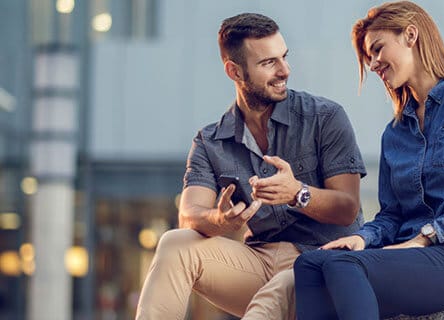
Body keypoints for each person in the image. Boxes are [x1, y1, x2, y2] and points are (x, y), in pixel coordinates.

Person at [135, 13, 366, 320]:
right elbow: (190, 214)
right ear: (234, 70)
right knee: (175, 244)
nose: (284, 70)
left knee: (269, 303)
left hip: (323, 263)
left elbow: (348, 207)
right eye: (268, 62)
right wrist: (219, 220)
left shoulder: (324, 117)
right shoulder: (211, 141)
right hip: (257, 262)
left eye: (283, 57)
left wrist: (298, 193)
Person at [293, 1, 444, 319]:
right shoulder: (394, 133)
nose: (373, 64)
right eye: (370, 57)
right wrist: (361, 237)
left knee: (343, 266)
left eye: (378, 49)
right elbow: (392, 215)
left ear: (411, 34)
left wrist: (426, 237)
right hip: (408, 259)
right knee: (309, 263)